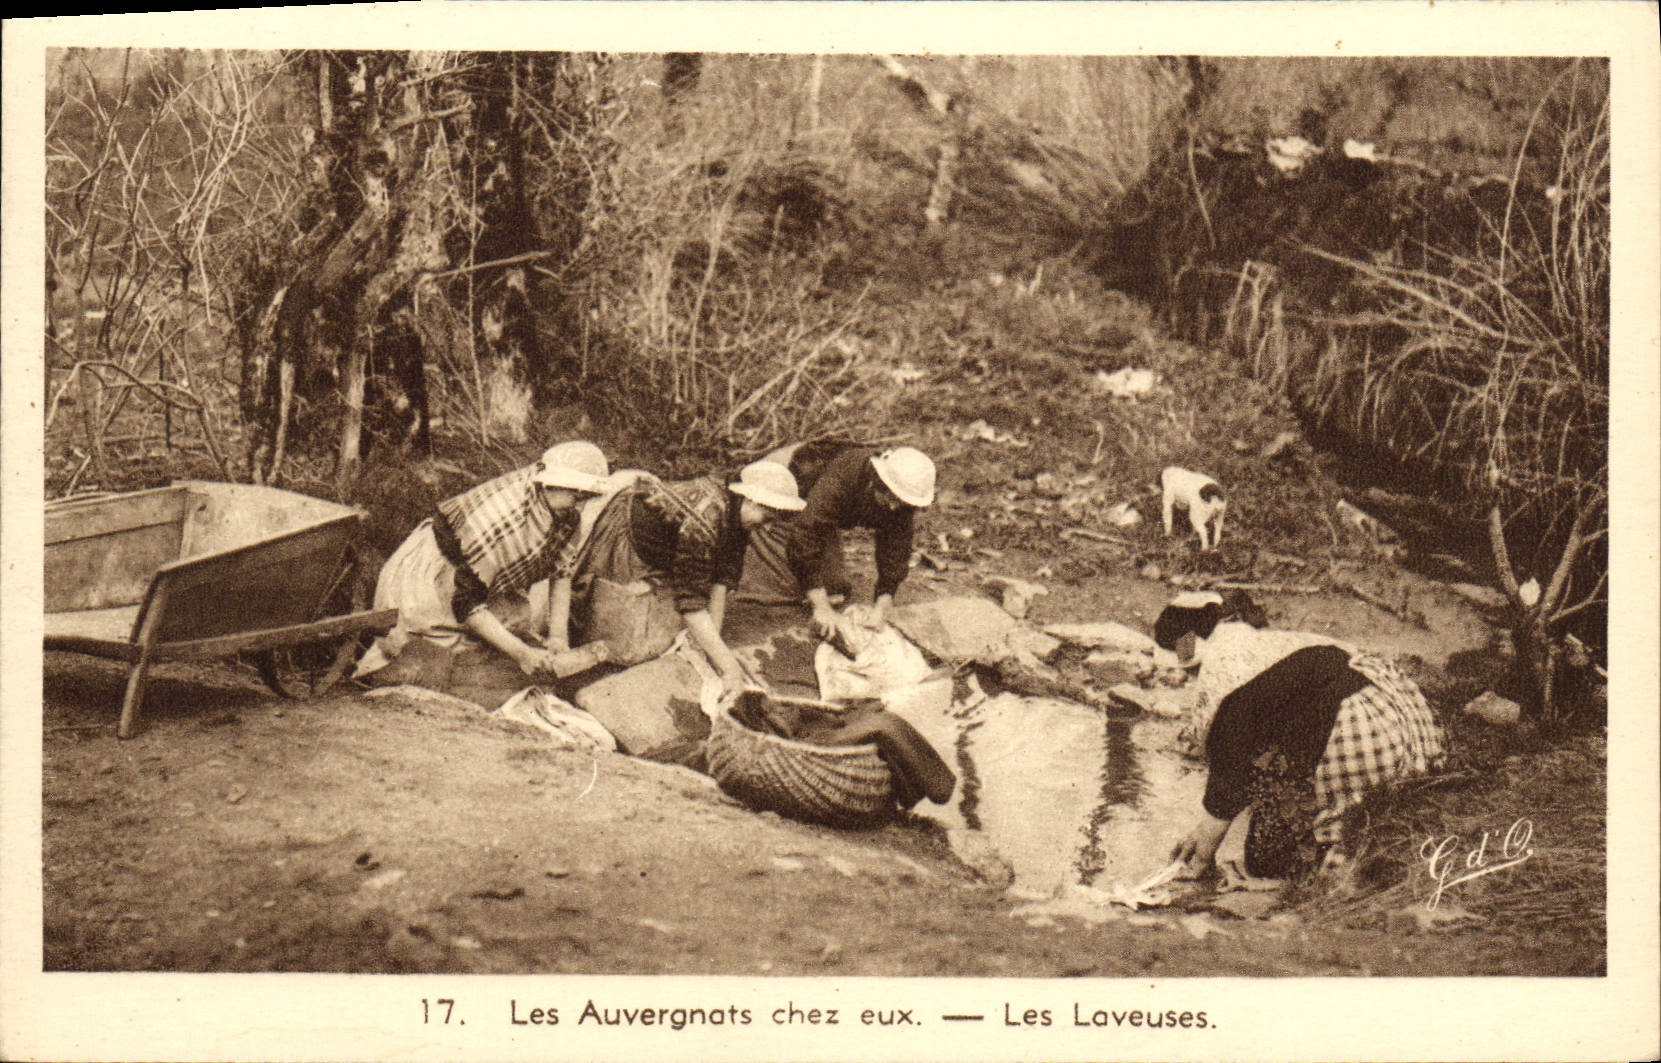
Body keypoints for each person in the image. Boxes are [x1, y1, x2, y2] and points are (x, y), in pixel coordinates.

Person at [1155, 591, 1446, 880]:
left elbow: (1229, 774)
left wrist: (1203, 851)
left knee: (1266, 858)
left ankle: (1339, 857)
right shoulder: (1259, 643)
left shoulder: (1225, 678)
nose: (1192, 680)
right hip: (1404, 724)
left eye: (1191, 672)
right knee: (1275, 802)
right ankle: (1362, 822)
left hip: (1362, 734)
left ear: (1193, 657)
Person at [354, 441, 612, 682]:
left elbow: (562, 572)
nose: (579, 506)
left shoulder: (564, 513)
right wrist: (522, 654)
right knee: (433, 658)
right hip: (432, 579)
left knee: (502, 648)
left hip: (480, 585)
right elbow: (468, 604)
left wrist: (558, 637)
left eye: (585, 498)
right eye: (576, 496)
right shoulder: (505, 517)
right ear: (552, 484)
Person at [568, 460, 807, 691]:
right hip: (629, 533)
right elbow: (691, 603)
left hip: (672, 539)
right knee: (615, 621)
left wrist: (712, 648)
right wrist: (729, 668)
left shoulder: (736, 513)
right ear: (751, 501)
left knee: (696, 626)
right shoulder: (707, 519)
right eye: (766, 519)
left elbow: (722, 576)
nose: (766, 529)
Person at [736, 442, 936, 638]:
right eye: (891, 498)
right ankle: (748, 564)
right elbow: (805, 534)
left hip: (813, 507)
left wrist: (882, 606)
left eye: (900, 503)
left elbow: (897, 548)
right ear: (878, 480)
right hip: (779, 489)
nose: (893, 508)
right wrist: (820, 607)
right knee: (796, 589)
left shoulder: (898, 501)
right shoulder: (846, 475)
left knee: (834, 589)